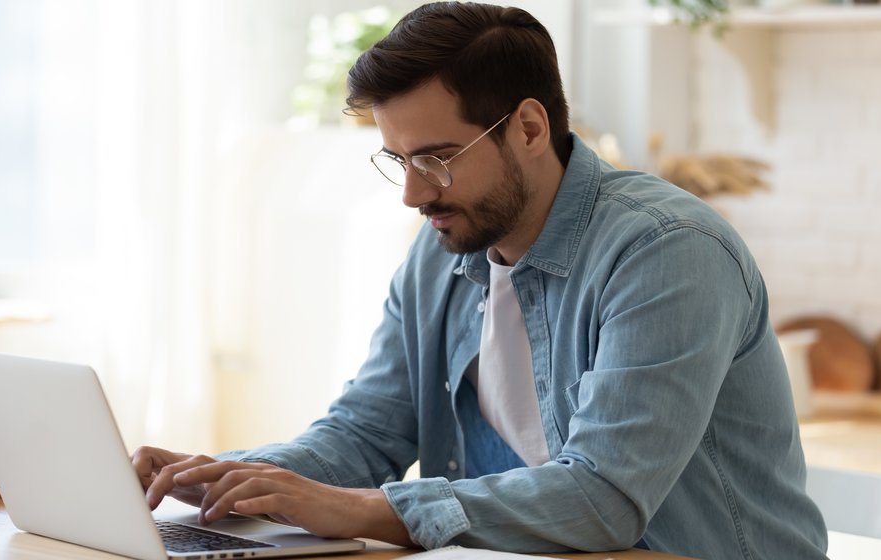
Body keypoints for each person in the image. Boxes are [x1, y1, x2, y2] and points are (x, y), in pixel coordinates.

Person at [132, 2, 829, 558]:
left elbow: (605, 498)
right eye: (397, 160)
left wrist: (362, 509)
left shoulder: (666, 251)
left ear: (528, 127)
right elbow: (366, 434)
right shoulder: (440, 249)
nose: (411, 193)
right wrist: (219, 479)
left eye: (435, 158)